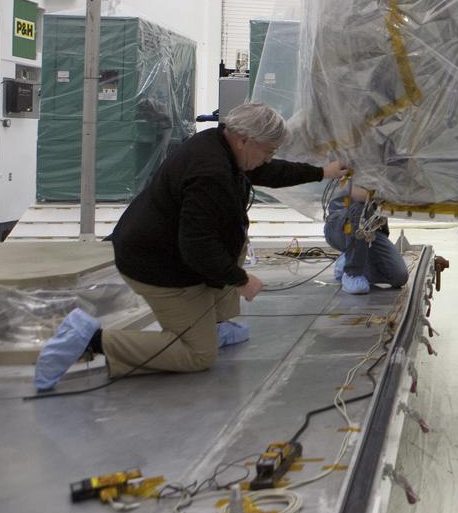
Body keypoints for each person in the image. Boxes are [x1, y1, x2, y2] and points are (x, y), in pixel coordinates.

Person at [34, 103, 345, 391]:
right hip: (156, 265)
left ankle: (215, 325)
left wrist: (321, 172)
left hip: (166, 246)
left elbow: (267, 170)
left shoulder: (219, 142)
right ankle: (92, 341)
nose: (267, 158)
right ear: (244, 139)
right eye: (267, 150)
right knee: (197, 355)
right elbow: (197, 247)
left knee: (232, 248)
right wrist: (241, 280)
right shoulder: (211, 173)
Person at [324, 181, 410, 295]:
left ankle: (348, 260)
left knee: (399, 276)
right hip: (340, 225)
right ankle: (352, 273)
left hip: (370, 230)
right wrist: (392, 192)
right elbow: (359, 195)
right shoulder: (352, 165)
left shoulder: (388, 167)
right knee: (361, 208)